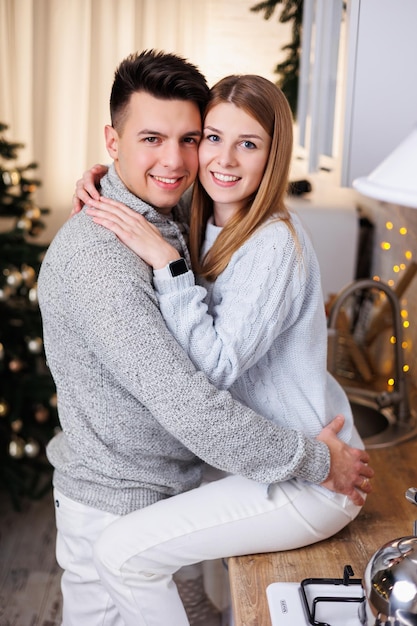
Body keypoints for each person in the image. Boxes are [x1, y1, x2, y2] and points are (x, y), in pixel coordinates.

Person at [71, 69, 373, 626]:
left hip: (310, 474)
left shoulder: (274, 244)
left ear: (273, 156)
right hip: (254, 460)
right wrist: (102, 179)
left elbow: (213, 367)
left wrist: (167, 264)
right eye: (212, 137)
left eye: (249, 143)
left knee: (120, 555)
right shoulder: (198, 217)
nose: (224, 159)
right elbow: (149, 173)